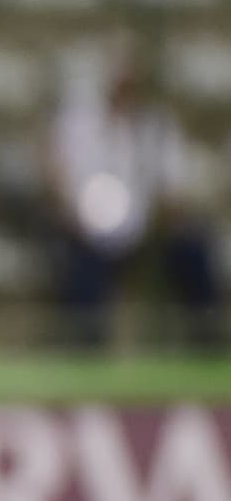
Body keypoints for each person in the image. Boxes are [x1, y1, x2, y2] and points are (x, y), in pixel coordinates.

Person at [42, 39, 223, 350]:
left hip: (148, 231)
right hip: (89, 231)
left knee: (192, 246)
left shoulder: (158, 126)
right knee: (79, 261)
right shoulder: (79, 122)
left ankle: (207, 340)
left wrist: (164, 215)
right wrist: (75, 212)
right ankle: (84, 347)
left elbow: (174, 188)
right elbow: (56, 170)